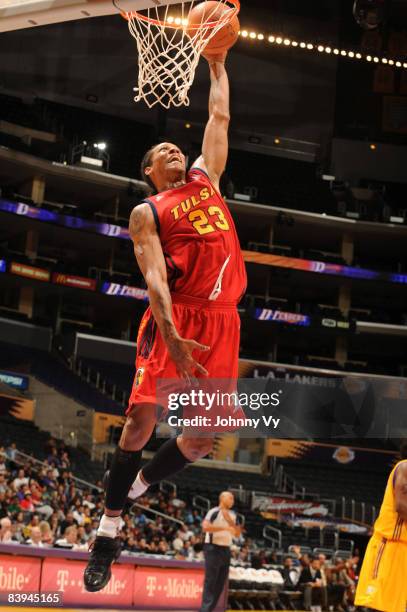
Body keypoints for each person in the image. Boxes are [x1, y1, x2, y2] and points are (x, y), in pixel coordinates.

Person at [84, 46, 246, 592]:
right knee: (141, 423)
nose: (174, 150)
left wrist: (218, 64)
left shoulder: (208, 183)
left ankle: (134, 488)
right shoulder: (147, 211)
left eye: (177, 146)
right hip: (176, 318)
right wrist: (172, 335)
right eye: (162, 151)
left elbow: (218, 117)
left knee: (202, 440)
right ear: (149, 172)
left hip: (224, 321)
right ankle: (107, 531)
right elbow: (155, 279)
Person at [355, 441, 407, 612]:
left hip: (403, 548)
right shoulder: (405, 467)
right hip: (390, 545)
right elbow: (402, 507)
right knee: (379, 606)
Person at [200, 492, 240, 612]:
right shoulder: (214, 511)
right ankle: (205, 610)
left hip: (226, 549)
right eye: (231, 498)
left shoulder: (233, 515)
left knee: (220, 583)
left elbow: (237, 533)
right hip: (213, 548)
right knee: (211, 580)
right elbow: (205, 527)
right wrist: (224, 528)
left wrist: (230, 522)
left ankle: (209, 609)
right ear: (222, 498)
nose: (233, 501)